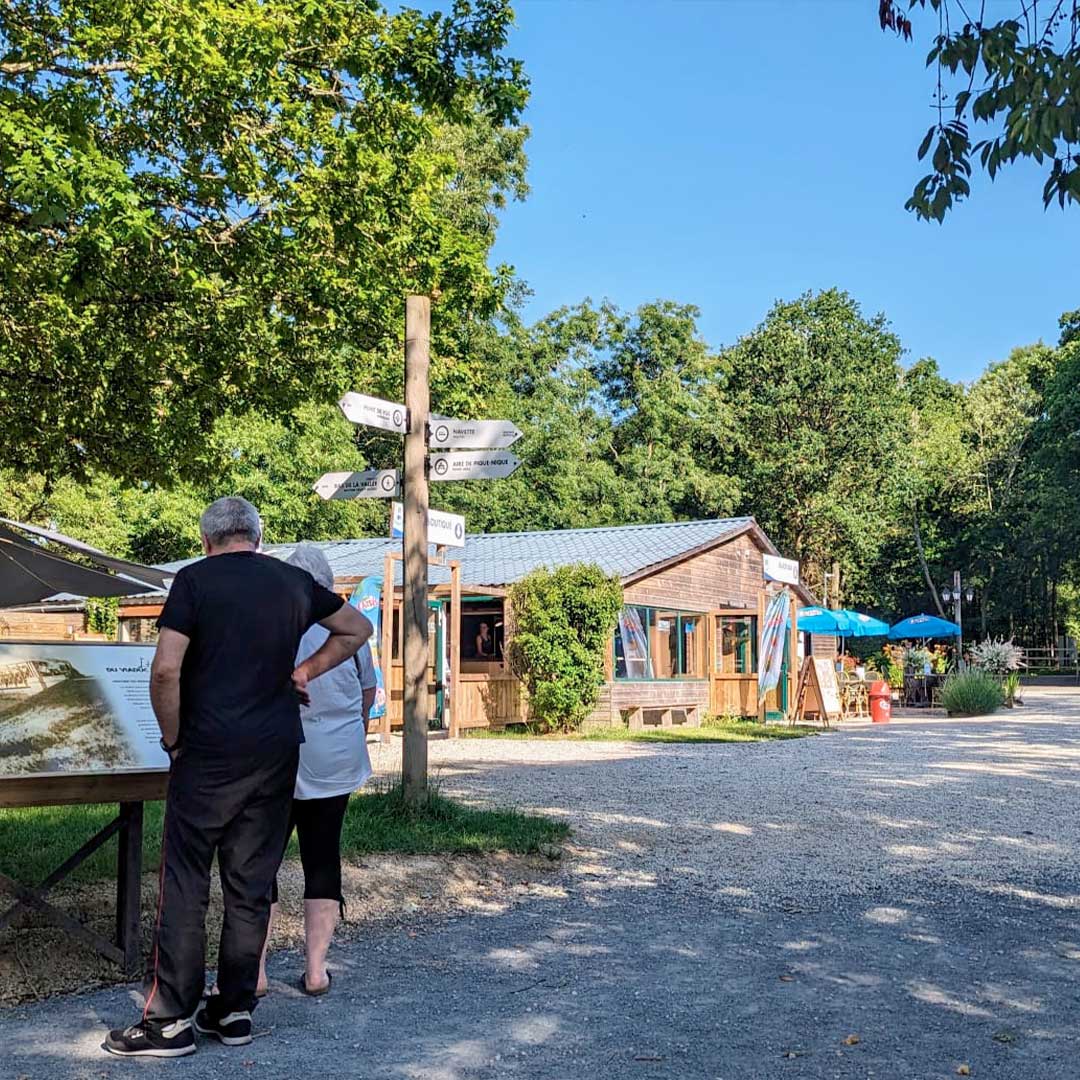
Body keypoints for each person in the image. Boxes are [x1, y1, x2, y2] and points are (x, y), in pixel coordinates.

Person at [104, 498, 372, 1058]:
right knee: (250, 884)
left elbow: (165, 668)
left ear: (207, 541)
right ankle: (233, 1010)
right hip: (276, 753)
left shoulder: (193, 582)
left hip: (207, 752)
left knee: (185, 883)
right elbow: (356, 629)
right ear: (257, 535)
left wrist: (173, 740)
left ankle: (169, 1022)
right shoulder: (291, 581)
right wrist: (303, 670)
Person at [254, 544, 376, 998]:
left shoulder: (272, 625)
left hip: (277, 754)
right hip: (334, 758)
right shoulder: (349, 629)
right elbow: (367, 695)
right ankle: (316, 970)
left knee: (261, 861)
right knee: (322, 858)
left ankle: (257, 971)